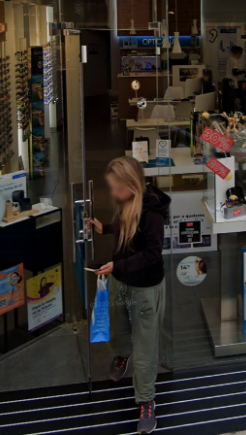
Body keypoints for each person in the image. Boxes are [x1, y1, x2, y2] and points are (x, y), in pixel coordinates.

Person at [89, 156, 171, 435]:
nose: (112, 193)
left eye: (116, 188)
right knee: (118, 325)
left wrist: (119, 265)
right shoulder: (127, 202)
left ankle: (146, 400)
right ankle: (123, 355)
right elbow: (125, 230)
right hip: (120, 279)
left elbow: (152, 253)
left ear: (133, 185)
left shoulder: (152, 214)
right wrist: (106, 228)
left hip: (145, 288)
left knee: (146, 348)